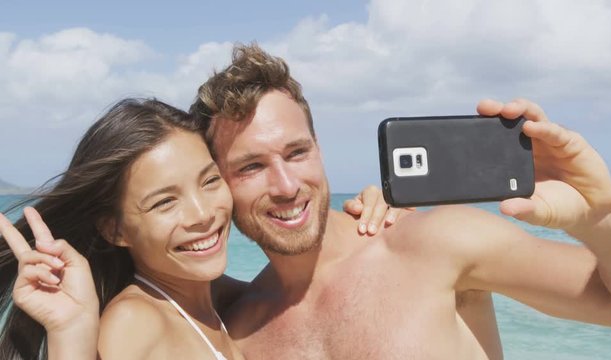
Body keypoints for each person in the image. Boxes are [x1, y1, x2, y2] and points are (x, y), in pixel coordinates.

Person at [188, 44, 611, 359]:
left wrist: (605, 215)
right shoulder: (233, 330)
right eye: (250, 167)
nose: (286, 185)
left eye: (296, 152)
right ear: (215, 182)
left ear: (318, 148)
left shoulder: (435, 243)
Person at [0, 98, 398, 359]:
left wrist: (368, 222)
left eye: (209, 181)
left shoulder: (219, 301)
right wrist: (72, 334)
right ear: (115, 230)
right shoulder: (136, 323)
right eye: (164, 202)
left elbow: (303, 304)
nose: (202, 214)